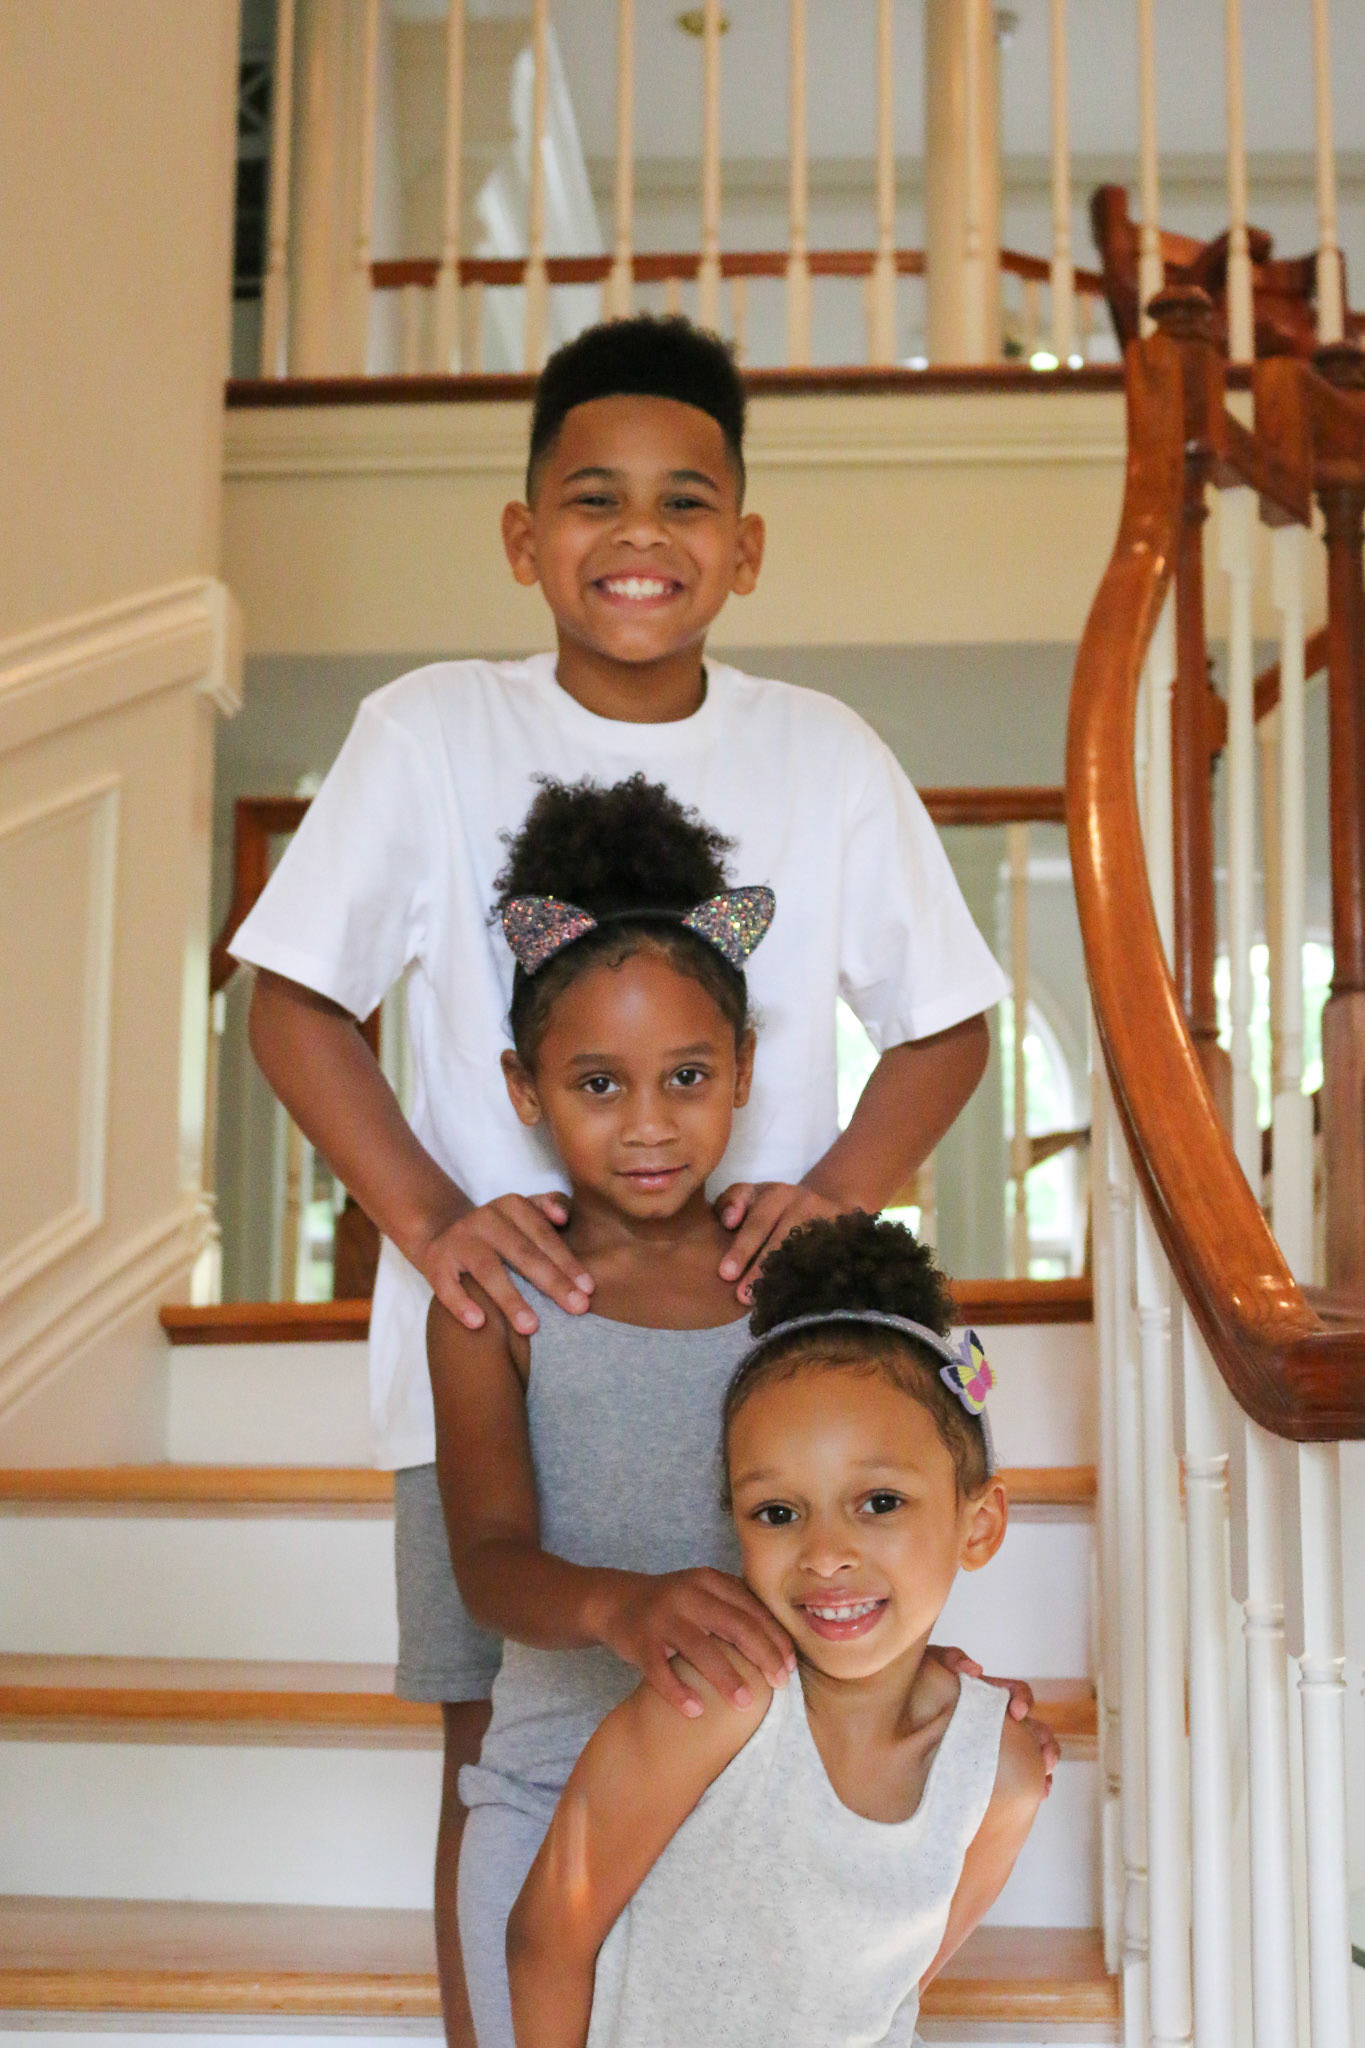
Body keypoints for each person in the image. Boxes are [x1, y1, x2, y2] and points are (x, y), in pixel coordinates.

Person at [231, 314, 1018, 2044]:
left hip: (754, 1353)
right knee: (501, 1740)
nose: (640, 533)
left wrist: (831, 1194)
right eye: (594, 498)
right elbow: (291, 999)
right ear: (525, 535)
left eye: (686, 500)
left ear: (747, 544)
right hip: (508, 1337)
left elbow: (947, 1025)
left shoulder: (821, 751)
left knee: (768, 1724)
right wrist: (435, 1221)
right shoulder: (431, 729)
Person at [434, 774, 1042, 2048]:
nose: (649, 1123)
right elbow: (485, 1564)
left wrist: (909, 1678)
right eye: (598, 1084)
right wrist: (623, 1605)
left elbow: (871, 1494)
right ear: (525, 1087)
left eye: (688, 1074)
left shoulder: (787, 1276)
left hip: (763, 1814)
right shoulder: (497, 1296)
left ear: (744, 1068)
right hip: (554, 1802)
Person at [506, 1209, 1046, 2048]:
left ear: (977, 1526)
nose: (824, 1555)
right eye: (778, 1512)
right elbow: (546, 1942)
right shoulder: (713, 1702)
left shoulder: (1001, 1773)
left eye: (879, 1502)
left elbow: (890, 1993)